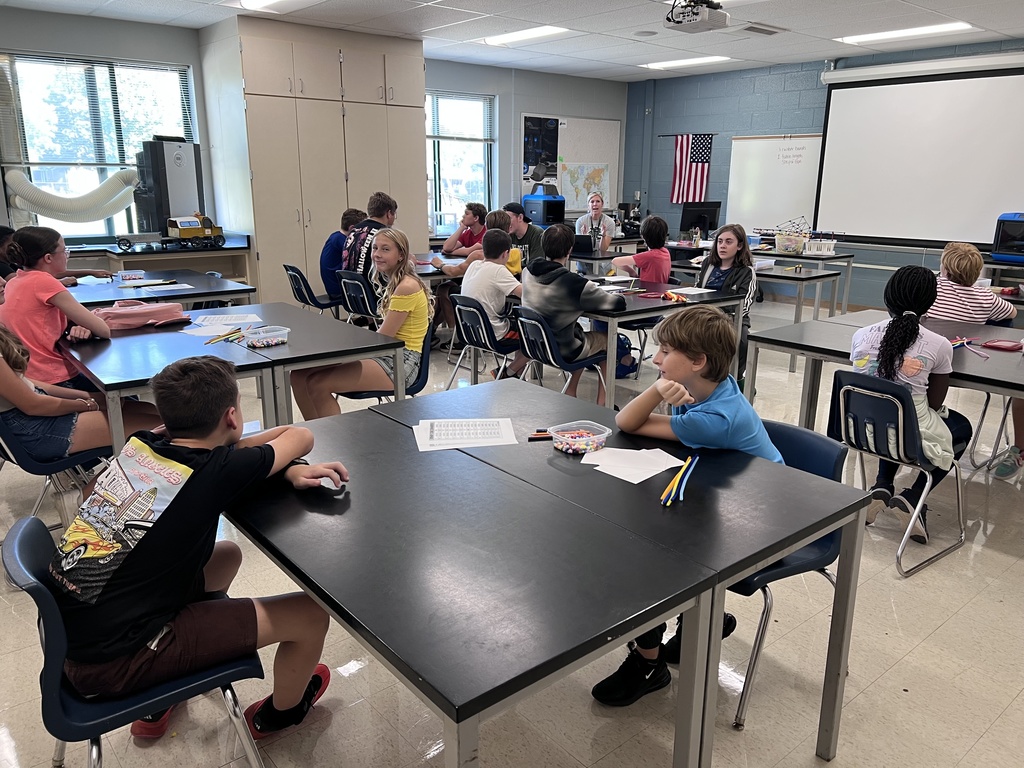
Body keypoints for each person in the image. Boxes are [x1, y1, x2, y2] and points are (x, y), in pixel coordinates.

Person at [47, 355, 346, 741]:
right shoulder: (215, 471)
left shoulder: (143, 443)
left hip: (79, 636)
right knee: (308, 614)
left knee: (225, 556)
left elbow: (221, 461)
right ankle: (279, 715)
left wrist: (278, 466)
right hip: (120, 662)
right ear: (232, 417)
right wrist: (271, 459)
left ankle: (168, 686)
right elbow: (299, 436)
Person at [591, 305, 782, 707]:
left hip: (763, 519)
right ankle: (700, 620)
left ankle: (650, 661)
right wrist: (664, 387)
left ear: (698, 361)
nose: (656, 360)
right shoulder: (707, 385)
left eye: (665, 352)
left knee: (649, 558)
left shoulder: (714, 417)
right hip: (722, 494)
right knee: (651, 534)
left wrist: (657, 390)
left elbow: (626, 422)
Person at [853, 265, 973, 543]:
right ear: (930, 303)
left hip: (860, 431)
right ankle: (914, 497)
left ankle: (881, 487)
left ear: (887, 298)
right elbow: (935, 402)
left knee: (891, 418)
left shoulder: (861, 335)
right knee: (959, 427)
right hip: (906, 437)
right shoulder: (939, 344)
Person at [0, 273, 161, 462]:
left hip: (29, 418)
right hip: (33, 429)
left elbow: (26, 382)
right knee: (164, 427)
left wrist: (87, 396)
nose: (4, 281)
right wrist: (87, 405)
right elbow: (32, 405)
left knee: (151, 410)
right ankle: (117, 485)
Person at [291, 229, 433, 419]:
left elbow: (384, 338)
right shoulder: (395, 280)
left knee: (318, 384)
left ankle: (331, 443)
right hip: (387, 354)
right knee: (298, 375)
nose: (377, 254)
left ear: (401, 255)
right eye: (375, 248)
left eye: (385, 249)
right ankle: (314, 437)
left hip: (401, 361)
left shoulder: (406, 287)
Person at [928, 242, 1022, 481]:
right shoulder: (984, 296)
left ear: (945, 269)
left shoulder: (930, 287)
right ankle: (1019, 450)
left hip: (928, 367)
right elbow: (1011, 313)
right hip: (970, 360)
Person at [521, 223, 625, 405]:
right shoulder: (574, 284)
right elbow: (615, 303)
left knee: (579, 334)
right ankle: (604, 403)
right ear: (570, 250)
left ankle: (571, 391)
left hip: (534, 344)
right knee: (608, 340)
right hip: (563, 349)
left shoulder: (527, 271)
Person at [0, 227, 111, 388]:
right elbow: (103, 330)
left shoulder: (17, 279)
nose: (66, 255)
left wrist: (78, 326)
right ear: (48, 258)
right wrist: (87, 325)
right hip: (52, 376)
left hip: (28, 374)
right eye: (64, 251)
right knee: (127, 397)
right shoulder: (44, 282)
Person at [694, 223, 757, 382]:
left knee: (742, 343)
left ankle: (735, 379)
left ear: (740, 245)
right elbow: (697, 289)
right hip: (702, 314)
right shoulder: (708, 263)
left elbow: (744, 305)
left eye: (729, 242)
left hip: (732, 318)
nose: (722, 246)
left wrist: (722, 320)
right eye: (720, 241)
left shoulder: (746, 272)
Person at [460, 229, 527, 379]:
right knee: (535, 336)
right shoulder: (498, 270)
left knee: (519, 326)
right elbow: (526, 294)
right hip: (493, 334)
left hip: (471, 332)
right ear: (506, 254)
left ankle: (515, 376)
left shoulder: (474, 265)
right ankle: (508, 372)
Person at [0, 225, 111, 285]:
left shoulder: (17, 263)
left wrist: (90, 272)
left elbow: (48, 273)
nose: (14, 248)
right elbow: (22, 282)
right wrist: (59, 283)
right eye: (11, 245)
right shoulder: (2, 266)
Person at [341, 192, 398, 285]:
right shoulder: (384, 234)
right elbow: (393, 265)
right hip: (374, 292)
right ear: (388, 214)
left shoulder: (354, 231)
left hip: (351, 291)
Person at [319, 207, 366, 298]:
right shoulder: (343, 241)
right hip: (338, 290)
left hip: (332, 286)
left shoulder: (335, 236)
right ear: (352, 228)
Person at [611, 215, 672, 284]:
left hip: (648, 292)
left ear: (643, 236)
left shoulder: (650, 256)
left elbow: (615, 261)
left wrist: (632, 272)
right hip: (659, 291)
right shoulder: (666, 252)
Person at [503, 202, 544, 268]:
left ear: (520, 217)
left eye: (509, 218)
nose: (506, 222)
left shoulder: (537, 233)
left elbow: (537, 265)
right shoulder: (507, 234)